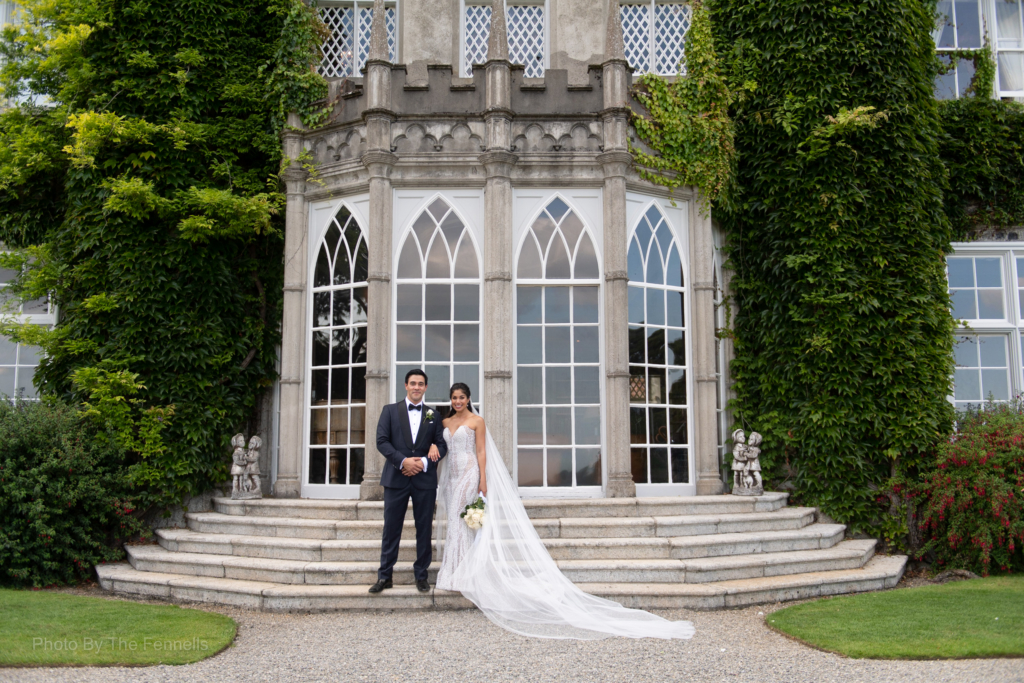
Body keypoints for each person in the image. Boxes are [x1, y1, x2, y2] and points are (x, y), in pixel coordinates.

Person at [432, 383, 694, 640]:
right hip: (451, 477)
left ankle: (463, 574)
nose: (457, 401)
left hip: (469, 473)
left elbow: (480, 450)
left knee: (462, 521)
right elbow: (441, 449)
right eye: (454, 397)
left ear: (468, 399)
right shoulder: (444, 423)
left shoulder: (477, 421)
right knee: (458, 523)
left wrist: (483, 481)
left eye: (462, 397)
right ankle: (454, 571)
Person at [369, 369, 448, 594]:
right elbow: (381, 441)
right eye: (412, 383)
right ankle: (385, 576)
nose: (416, 387)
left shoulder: (433, 415)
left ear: (425, 388)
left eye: (420, 384)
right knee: (391, 528)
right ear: (405, 385)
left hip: (424, 480)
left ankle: (421, 575)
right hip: (396, 478)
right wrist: (403, 461)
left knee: (423, 529)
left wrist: (423, 462)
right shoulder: (390, 411)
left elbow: (441, 445)